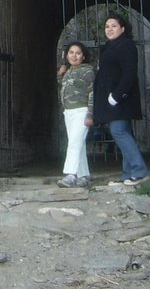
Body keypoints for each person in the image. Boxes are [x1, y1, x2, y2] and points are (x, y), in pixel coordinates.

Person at [92, 13, 149, 186]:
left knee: (118, 132)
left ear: (122, 29)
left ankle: (140, 171)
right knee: (124, 133)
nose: (109, 29)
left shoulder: (126, 45)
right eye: (107, 26)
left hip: (121, 98)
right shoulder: (109, 47)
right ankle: (127, 174)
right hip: (112, 99)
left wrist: (117, 96)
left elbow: (129, 73)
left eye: (113, 26)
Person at [56, 41, 94, 188]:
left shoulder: (87, 71)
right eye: (71, 52)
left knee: (73, 143)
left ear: (83, 56)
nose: (74, 56)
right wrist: (60, 76)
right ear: (67, 55)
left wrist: (90, 114)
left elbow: (92, 92)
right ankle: (84, 175)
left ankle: (70, 175)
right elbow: (64, 89)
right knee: (78, 143)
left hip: (81, 111)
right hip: (69, 112)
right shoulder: (67, 71)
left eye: (78, 53)